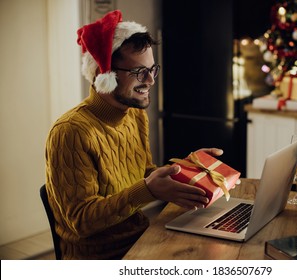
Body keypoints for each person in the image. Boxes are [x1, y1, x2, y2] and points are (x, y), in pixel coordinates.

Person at [45, 10, 223, 260]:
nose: (150, 80)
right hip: (99, 257)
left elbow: (142, 174)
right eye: (139, 72)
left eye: (152, 69)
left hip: (141, 237)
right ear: (103, 75)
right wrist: (148, 190)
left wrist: (188, 168)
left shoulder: (134, 113)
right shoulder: (70, 132)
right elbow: (81, 221)